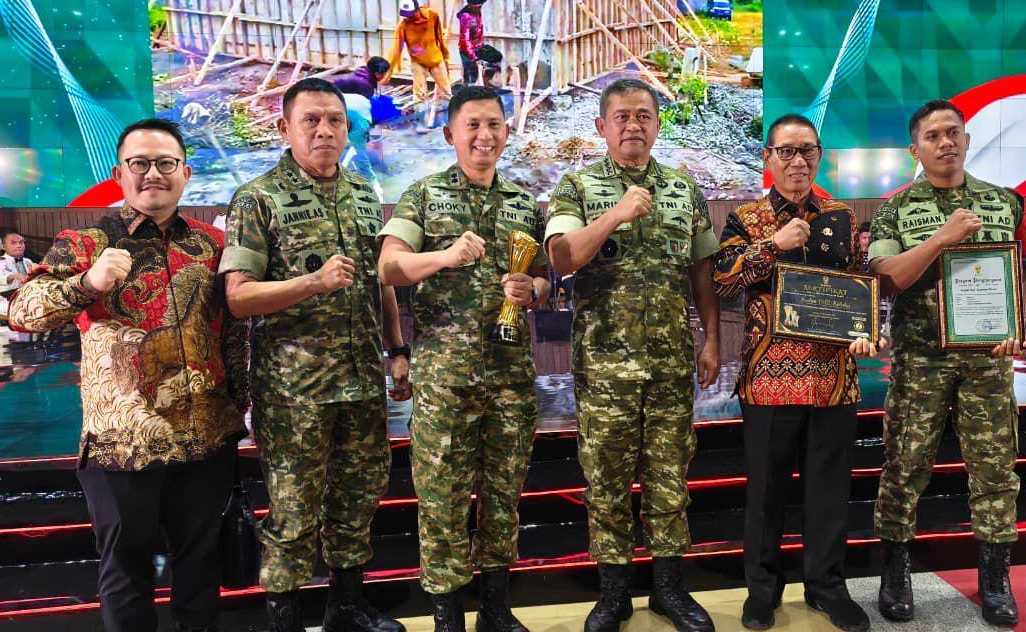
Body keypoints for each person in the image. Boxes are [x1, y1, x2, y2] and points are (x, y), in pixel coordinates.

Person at [8, 118, 249, 632]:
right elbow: (22, 312)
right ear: (119, 173)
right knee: (125, 573)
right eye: (140, 163)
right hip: (122, 443)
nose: (153, 174)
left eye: (165, 163)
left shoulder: (212, 244)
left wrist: (243, 410)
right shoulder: (84, 242)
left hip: (207, 438)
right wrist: (86, 283)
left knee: (201, 568)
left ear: (185, 173)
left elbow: (232, 335)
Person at [220, 77, 409, 632]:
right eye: (311, 120)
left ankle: (346, 609)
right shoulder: (258, 198)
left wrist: (397, 349)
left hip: (361, 381)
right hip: (294, 391)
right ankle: (284, 620)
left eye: (335, 121)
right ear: (286, 127)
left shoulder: (363, 193)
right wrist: (312, 283)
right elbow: (238, 298)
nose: (325, 130)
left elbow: (381, 281)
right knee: (294, 511)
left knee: (358, 499)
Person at [545, 78, 721, 632]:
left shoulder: (683, 189)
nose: (633, 125)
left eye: (643, 115)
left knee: (670, 479)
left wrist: (712, 340)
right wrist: (615, 215)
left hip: (670, 365)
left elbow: (702, 273)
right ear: (602, 126)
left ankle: (669, 590)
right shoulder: (576, 186)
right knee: (607, 482)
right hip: (605, 369)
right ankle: (614, 593)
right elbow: (561, 259)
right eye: (621, 116)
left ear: (657, 125)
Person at [378, 86, 551, 632]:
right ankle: (447, 614)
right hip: (445, 380)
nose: (484, 136)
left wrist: (534, 290)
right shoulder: (423, 196)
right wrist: (445, 255)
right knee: (442, 499)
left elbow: (545, 278)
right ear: (450, 133)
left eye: (494, 124)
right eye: (472, 125)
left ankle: (495, 608)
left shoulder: (523, 202)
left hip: (509, 377)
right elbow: (389, 267)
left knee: (503, 494)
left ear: (507, 131)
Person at [868, 100, 1026, 627]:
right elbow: (886, 278)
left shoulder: (1007, 201)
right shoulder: (895, 209)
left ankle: (995, 579)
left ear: (967, 139)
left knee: (995, 471)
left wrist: (1018, 322)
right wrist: (942, 238)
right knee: (904, 467)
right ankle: (895, 573)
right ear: (915, 149)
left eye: (953, 133)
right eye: (933, 136)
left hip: (988, 363)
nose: (945, 142)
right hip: (920, 361)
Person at [713, 114, 879, 632]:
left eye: (807, 150)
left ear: (819, 156)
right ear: (768, 158)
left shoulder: (842, 216)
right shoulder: (746, 218)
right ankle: (762, 590)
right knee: (766, 494)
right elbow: (723, 280)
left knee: (829, 493)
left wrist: (867, 331)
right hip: (768, 381)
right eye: (786, 151)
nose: (798, 160)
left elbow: (860, 283)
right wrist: (775, 244)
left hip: (834, 379)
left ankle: (827, 586)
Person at [382, 0, 453, 128]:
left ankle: (450, 119)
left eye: (411, 14)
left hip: (435, 58)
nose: (409, 17)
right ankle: (421, 122)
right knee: (419, 94)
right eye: (406, 15)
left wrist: (445, 53)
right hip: (418, 61)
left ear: (417, 9)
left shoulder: (432, 16)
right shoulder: (403, 26)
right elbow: (396, 50)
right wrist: (388, 73)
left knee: (446, 91)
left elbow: (439, 35)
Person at [456, 0, 504, 87]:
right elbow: (465, 40)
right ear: (470, 5)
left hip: (479, 46)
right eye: (476, 7)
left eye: (480, 6)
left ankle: (487, 80)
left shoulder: (478, 5)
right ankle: (469, 88)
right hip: (467, 50)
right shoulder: (466, 17)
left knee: (496, 56)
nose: (478, 8)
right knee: (471, 74)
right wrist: (474, 58)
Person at [0, 231, 33, 320]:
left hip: (25, 299)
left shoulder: (28, 262)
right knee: (34, 310)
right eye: (13, 243)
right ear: (3, 246)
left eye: (21, 242)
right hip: (3, 302)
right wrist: (12, 276)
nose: (19, 246)